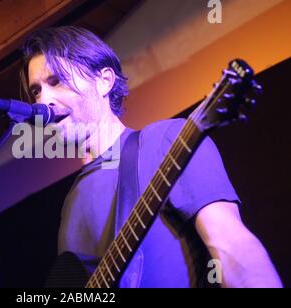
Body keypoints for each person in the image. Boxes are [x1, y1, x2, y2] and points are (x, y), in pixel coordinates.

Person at [20, 26, 282, 288]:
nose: (43, 101)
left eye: (55, 81)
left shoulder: (166, 140)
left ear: (104, 81)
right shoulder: (71, 203)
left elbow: (232, 248)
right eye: (36, 91)